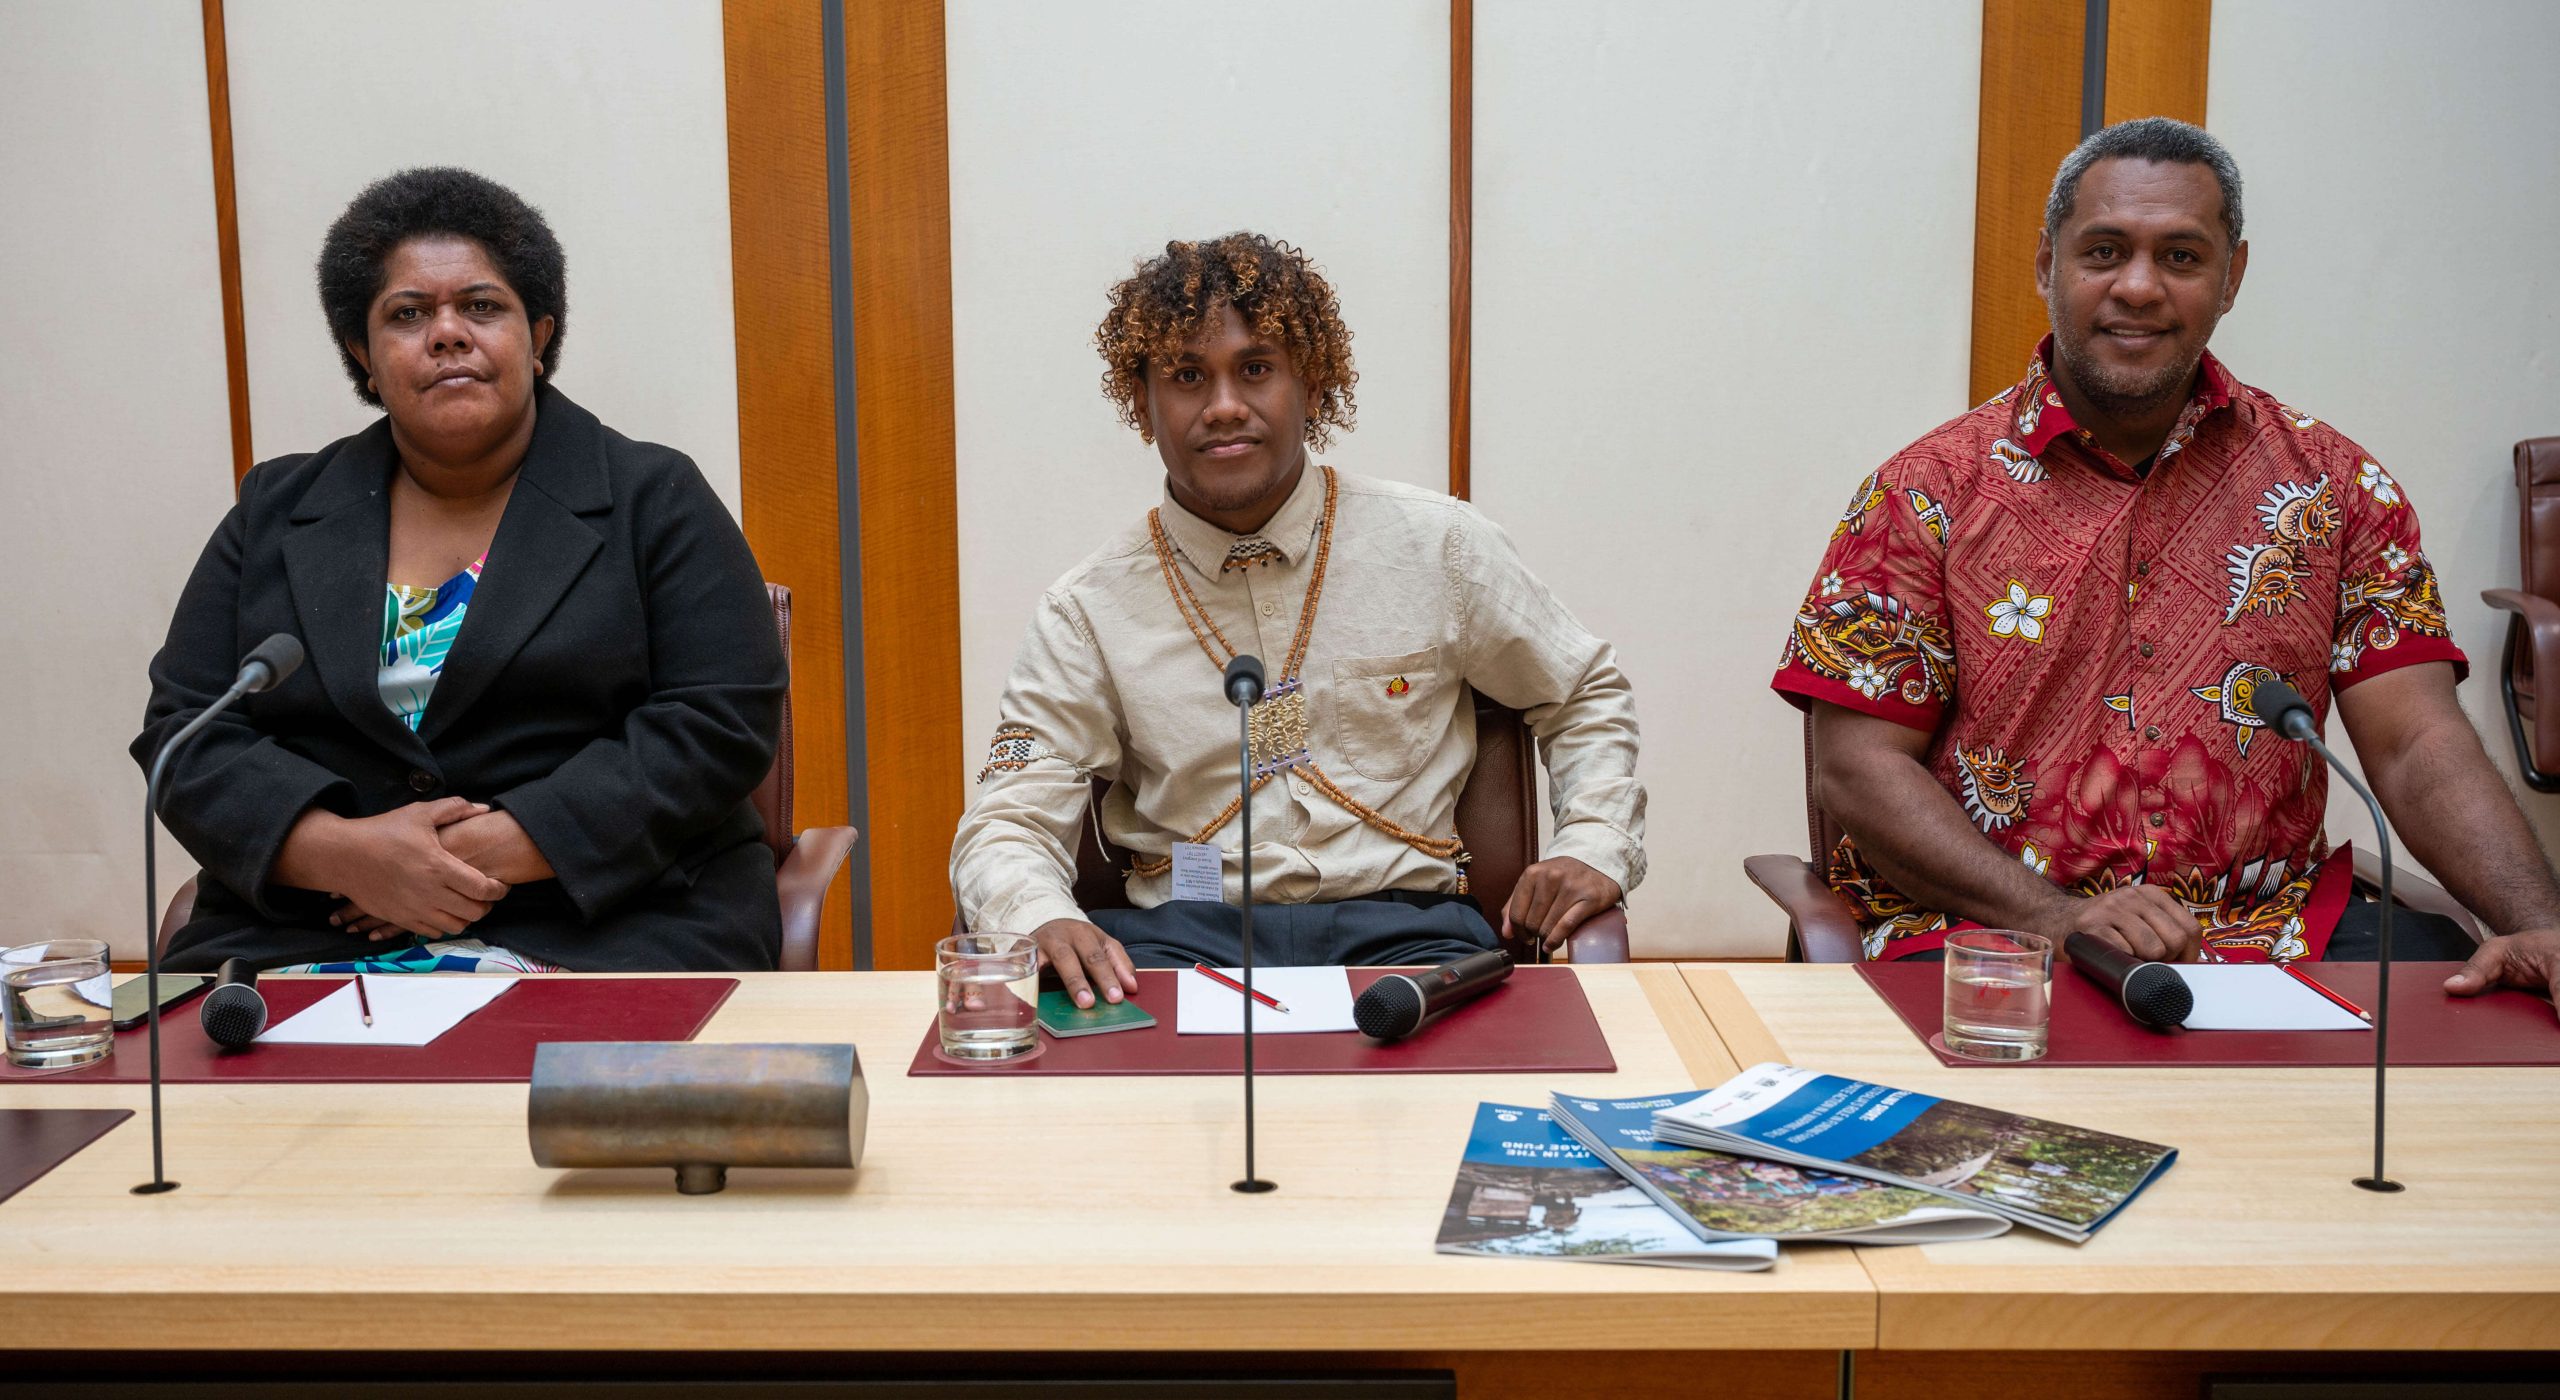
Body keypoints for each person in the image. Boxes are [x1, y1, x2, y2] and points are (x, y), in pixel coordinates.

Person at [1772, 117, 2560, 1009]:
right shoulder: (1924, 493)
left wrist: (2538, 922)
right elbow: (1858, 771)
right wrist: (2055, 916)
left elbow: (2417, 742)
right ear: (2046, 264)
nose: (2139, 287)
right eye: (2104, 251)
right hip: (1988, 936)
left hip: (2276, 939)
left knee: (2474, 1050)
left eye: (2181, 258)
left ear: (2232, 277)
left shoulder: (2337, 485)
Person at [951, 233, 1644, 1008]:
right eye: (1186, 376)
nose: (1222, 406)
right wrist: (1037, 914)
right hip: (1182, 946)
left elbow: (1583, 692)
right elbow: (1006, 819)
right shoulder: (1086, 610)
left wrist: (1596, 842)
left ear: (1312, 387)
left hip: (1413, 939)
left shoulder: (1439, 547)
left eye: (1256, 369)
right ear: (1143, 404)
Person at [136, 167, 785, 973]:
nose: (447, 333)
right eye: (407, 315)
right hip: (313, 926)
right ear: (362, 354)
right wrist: (342, 852)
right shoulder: (277, 508)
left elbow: (719, 720)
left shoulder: (654, 497)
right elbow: (186, 734)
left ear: (538, 335)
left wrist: (504, 847)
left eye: (481, 306)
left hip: (605, 921)